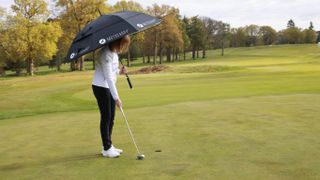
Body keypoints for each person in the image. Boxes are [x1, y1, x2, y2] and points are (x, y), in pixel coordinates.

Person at [92, 35, 130, 158]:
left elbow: (113, 71)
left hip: (107, 86)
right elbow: (108, 78)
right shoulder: (105, 54)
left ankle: (107, 146)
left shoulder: (114, 53)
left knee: (111, 117)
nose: (123, 48)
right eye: (122, 45)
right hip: (100, 87)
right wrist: (116, 98)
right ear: (117, 42)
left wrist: (120, 71)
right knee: (106, 117)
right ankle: (107, 148)